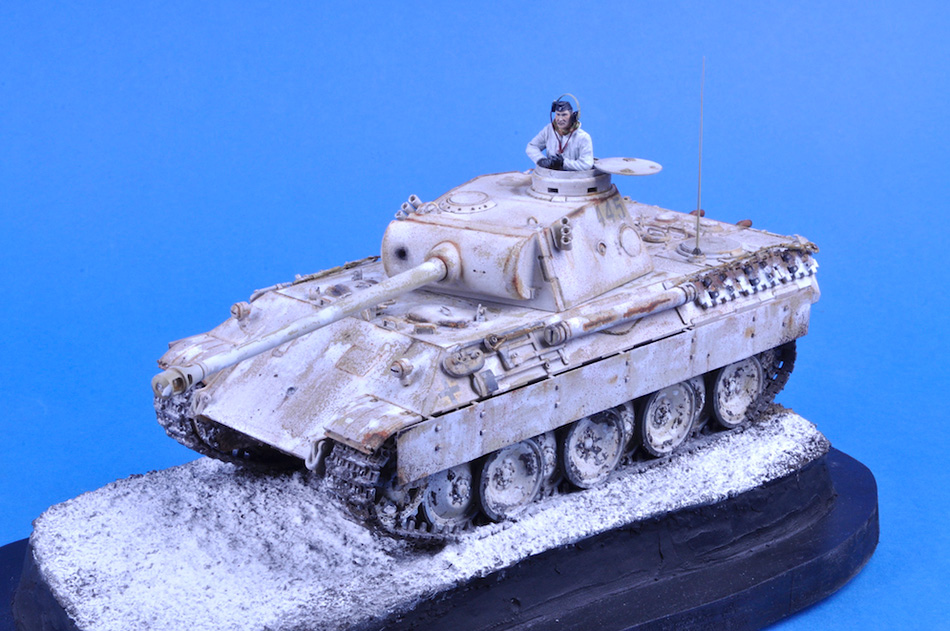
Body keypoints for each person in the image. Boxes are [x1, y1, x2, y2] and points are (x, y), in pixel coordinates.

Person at [526, 97, 593, 171]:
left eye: (564, 115)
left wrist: (563, 163)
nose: (560, 119)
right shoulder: (548, 130)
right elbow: (532, 146)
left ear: (573, 116)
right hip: (551, 175)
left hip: (574, 176)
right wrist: (541, 160)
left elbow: (586, 164)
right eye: (558, 114)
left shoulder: (583, 137)